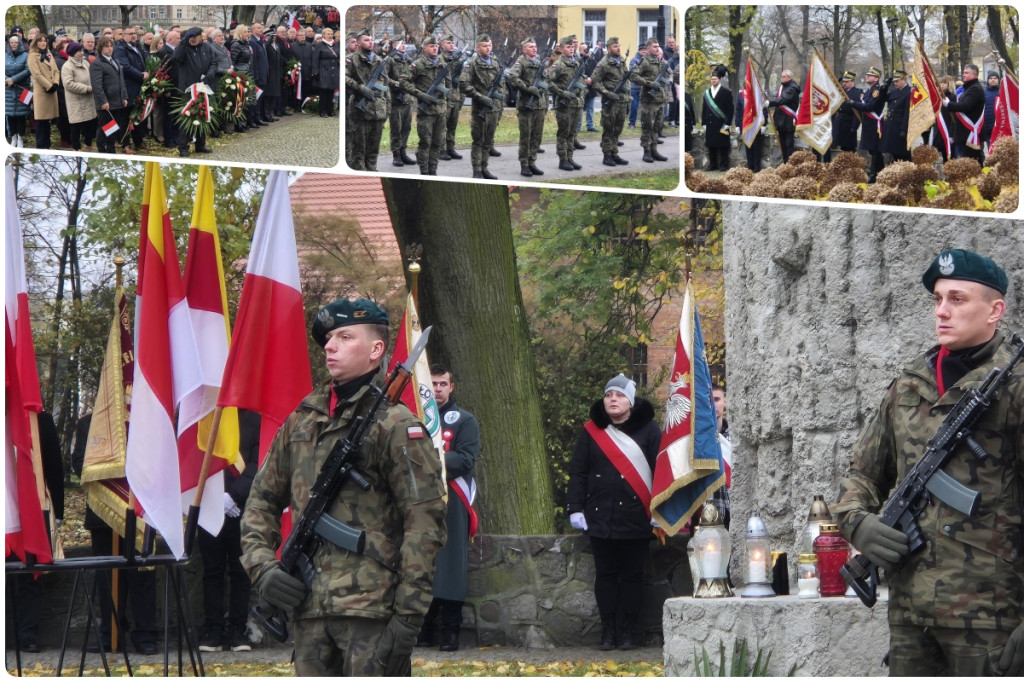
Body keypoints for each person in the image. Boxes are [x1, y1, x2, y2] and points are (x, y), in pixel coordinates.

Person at [834, 249, 1023, 677]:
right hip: (910, 617)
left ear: (996, 310)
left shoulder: (1014, 389)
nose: (942, 312)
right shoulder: (907, 387)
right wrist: (858, 523)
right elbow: (861, 476)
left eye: (957, 299)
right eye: (938, 299)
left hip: (990, 618)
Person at [240, 298, 447, 676]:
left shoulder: (397, 425)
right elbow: (261, 502)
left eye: (345, 337)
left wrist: (408, 617)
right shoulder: (302, 421)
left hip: (371, 610)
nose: (330, 346)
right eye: (328, 338)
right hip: (309, 610)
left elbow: (425, 524)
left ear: (376, 349)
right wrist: (263, 568)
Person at [566, 374, 660, 651]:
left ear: (630, 401)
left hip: (636, 517)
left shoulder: (650, 430)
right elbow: (578, 471)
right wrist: (575, 507)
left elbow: (662, 470)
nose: (613, 399)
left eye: (619, 395)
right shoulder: (591, 431)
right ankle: (608, 631)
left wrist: (661, 508)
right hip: (600, 517)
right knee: (605, 575)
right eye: (608, 395)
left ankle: (629, 631)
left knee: (633, 576)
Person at [71, 412, 159, 654]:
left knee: (142, 572)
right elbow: (79, 462)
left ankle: (146, 634)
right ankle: (111, 633)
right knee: (108, 575)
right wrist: (111, 484)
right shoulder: (88, 423)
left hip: (139, 509)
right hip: (103, 511)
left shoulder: (143, 418)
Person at [415, 365, 481, 652]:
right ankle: (424, 628)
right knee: (420, 562)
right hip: (418, 498)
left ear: (451, 387)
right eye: (434, 384)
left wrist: (428, 457)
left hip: (452, 498)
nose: (438, 389)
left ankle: (450, 630)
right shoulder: (415, 419)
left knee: (451, 565)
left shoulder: (465, 421)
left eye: (443, 384)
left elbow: (465, 459)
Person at [198, 410, 260, 653]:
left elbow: (257, 461)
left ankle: (237, 629)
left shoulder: (253, 418)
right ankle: (212, 629)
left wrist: (234, 495)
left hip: (241, 505)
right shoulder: (206, 414)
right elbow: (198, 459)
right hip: (209, 503)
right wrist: (216, 496)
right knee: (211, 570)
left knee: (240, 571)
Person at [14, 410, 64, 652]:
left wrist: (59, 513)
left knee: (30, 570)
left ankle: (28, 633)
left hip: (31, 503)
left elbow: (53, 465)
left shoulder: (38, 419)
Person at [462, 33, 505, 179]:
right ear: (477, 47)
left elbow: (501, 85)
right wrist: (480, 97)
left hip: (494, 108)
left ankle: (485, 168)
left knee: (488, 141)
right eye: (484, 46)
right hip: (480, 109)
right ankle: (477, 170)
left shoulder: (495, 62)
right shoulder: (472, 64)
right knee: (478, 141)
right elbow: (464, 84)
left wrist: (499, 102)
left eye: (490, 45)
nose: (488, 48)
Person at [345, 28, 388, 171]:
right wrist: (360, 87)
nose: (370, 43)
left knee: (374, 150)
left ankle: (372, 170)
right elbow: (344, 78)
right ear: (358, 42)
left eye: (371, 40)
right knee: (358, 150)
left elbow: (385, 85)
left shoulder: (379, 60)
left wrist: (387, 108)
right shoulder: (351, 59)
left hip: (378, 111)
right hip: (360, 111)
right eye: (366, 40)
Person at [405, 35, 448, 176]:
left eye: (436, 46)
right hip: (426, 111)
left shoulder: (442, 63)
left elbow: (448, 85)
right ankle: (424, 171)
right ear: (424, 48)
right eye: (431, 46)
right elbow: (403, 81)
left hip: (441, 110)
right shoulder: (418, 64)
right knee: (425, 143)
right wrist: (420, 94)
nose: (435, 48)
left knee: (437, 143)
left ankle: (433, 171)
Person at [171, 27, 216, 157]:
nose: (193, 40)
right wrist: (184, 42)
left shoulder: (207, 48)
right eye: (190, 38)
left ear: (200, 37)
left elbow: (213, 63)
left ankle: (200, 145)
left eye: (195, 37)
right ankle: (183, 147)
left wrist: (209, 76)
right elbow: (176, 58)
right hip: (188, 89)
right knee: (187, 118)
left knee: (203, 114)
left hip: (204, 86)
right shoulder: (184, 48)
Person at [507, 36, 548, 177]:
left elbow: (545, 79)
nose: (534, 48)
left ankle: (532, 162)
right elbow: (512, 77)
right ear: (524, 50)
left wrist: (541, 90)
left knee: (537, 136)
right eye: (531, 46)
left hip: (539, 105)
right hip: (526, 105)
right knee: (526, 136)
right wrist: (528, 88)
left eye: (535, 46)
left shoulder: (539, 62)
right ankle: (524, 164)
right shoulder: (521, 62)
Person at [546, 35, 586, 173]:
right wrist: (562, 93)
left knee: (572, 133)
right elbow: (548, 81)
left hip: (576, 104)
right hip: (564, 105)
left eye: (572, 47)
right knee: (563, 133)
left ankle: (570, 157)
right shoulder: (559, 64)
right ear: (562, 49)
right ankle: (563, 160)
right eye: (568, 47)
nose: (572, 49)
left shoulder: (575, 62)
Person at [589, 36, 629, 168]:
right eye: (615, 46)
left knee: (617, 129)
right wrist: (607, 93)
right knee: (608, 129)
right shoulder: (604, 63)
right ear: (608, 49)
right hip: (610, 102)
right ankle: (607, 155)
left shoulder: (622, 60)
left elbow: (625, 78)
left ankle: (614, 153)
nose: (618, 48)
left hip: (621, 101)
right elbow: (595, 81)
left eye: (619, 45)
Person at [89, 36, 128, 154]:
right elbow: (97, 85)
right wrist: (103, 101)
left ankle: (110, 148)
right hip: (106, 102)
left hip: (117, 101)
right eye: (107, 46)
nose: (110, 49)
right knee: (103, 127)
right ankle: (102, 149)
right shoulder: (97, 63)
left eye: (111, 46)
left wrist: (124, 96)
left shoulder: (115, 60)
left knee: (113, 127)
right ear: (101, 48)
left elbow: (121, 81)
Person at [113, 25, 149, 151]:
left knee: (137, 116)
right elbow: (125, 67)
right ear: (123, 36)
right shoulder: (120, 49)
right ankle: (125, 144)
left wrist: (146, 72)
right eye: (130, 34)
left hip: (138, 87)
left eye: (134, 33)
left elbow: (145, 62)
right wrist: (141, 75)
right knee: (125, 118)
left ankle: (139, 142)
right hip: (127, 88)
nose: (133, 35)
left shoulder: (138, 47)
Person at [942, 64, 985, 164]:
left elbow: (965, 106)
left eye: (967, 73)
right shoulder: (969, 88)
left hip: (969, 133)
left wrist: (949, 105)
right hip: (963, 133)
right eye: (963, 72)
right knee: (964, 163)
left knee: (973, 163)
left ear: (975, 74)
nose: (964, 75)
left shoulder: (975, 89)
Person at [849, 66, 886, 181]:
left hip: (875, 124)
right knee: (871, 150)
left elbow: (870, 106)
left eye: (870, 75)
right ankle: (880, 172)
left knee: (875, 150)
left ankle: (874, 174)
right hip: (868, 123)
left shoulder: (876, 90)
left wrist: (853, 103)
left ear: (876, 78)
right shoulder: (869, 91)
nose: (867, 76)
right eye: (867, 74)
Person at [61, 41, 97, 151]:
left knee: (89, 122)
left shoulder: (85, 63)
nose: (82, 53)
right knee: (76, 124)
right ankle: (76, 147)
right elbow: (68, 84)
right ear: (72, 53)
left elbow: (92, 76)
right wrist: (86, 88)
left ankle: (88, 143)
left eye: (81, 50)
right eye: (78, 51)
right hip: (76, 99)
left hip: (88, 98)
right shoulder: (67, 66)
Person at [27, 32, 60, 149]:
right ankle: (41, 145)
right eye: (40, 41)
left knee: (48, 120)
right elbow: (36, 74)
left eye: (44, 41)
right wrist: (48, 86)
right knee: (41, 120)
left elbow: (56, 70)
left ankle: (47, 144)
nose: (43, 43)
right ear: (36, 42)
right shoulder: (32, 56)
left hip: (52, 90)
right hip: (42, 91)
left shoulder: (49, 54)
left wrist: (56, 83)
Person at [386, 39, 415, 166]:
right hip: (395, 99)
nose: (403, 46)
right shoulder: (390, 60)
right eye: (401, 43)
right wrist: (398, 84)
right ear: (394, 45)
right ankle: (396, 154)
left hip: (407, 99)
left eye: (404, 44)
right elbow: (384, 78)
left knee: (406, 128)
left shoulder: (408, 59)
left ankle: (403, 152)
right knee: (396, 129)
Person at [699, 63, 732, 170]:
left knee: (723, 146)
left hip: (722, 123)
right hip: (710, 123)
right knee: (711, 145)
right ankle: (712, 165)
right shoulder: (707, 93)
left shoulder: (726, 92)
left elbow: (730, 109)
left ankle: (723, 165)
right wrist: (703, 122)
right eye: (712, 79)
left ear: (720, 80)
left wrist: (728, 123)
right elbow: (704, 109)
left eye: (715, 79)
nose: (713, 81)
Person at [438, 34, 465, 161]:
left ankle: (450, 148)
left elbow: (463, 80)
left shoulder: (458, 60)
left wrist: (461, 98)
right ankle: (441, 149)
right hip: (444, 98)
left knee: (452, 125)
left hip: (455, 97)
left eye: (452, 43)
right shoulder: (439, 60)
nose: (451, 45)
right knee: (442, 126)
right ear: (442, 45)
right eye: (448, 43)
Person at [767, 68, 799, 164]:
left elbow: (784, 99)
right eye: (781, 76)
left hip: (788, 120)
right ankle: (785, 163)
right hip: (781, 120)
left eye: (784, 77)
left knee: (789, 145)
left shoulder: (793, 88)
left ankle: (790, 164)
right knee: (782, 144)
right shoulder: (782, 87)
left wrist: (770, 103)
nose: (782, 78)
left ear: (789, 77)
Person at [6, 34, 31, 146]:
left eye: (16, 42)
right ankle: (13, 137)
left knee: (21, 115)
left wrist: (14, 79)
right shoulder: (4, 56)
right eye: (12, 42)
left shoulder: (26, 56)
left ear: (19, 44)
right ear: (9, 44)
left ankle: (20, 137)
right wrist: (8, 80)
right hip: (8, 90)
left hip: (22, 89)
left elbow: (27, 70)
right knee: (10, 114)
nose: (14, 44)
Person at [832, 71, 861, 153]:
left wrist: (854, 126)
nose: (844, 84)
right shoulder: (840, 91)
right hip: (839, 121)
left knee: (849, 147)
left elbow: (858, 111)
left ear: (852, 81)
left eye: (846, 82)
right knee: (840, 146)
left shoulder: (857, 92)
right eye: (843, 82)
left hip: (849, 122)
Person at [627, 43, 646, 129]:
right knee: (634, 106)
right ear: (639, 51)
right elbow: (632, 72)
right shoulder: (634, 60)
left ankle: (644, 123)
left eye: (646, 50)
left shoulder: (647, 60)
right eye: (643, 50)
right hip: (635, 87)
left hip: (645, 87)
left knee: (645, 107)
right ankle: (632, 123)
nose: (644, 52)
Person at [982, 70, 999, 155]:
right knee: (991, 151)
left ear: (998, 80)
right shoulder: (983, 93)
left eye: (995, 78)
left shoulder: (1002, 92)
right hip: (987, 127)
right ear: (988, 80)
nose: (993, 80)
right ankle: (991, 168)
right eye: (991, 78)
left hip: (999, 126)